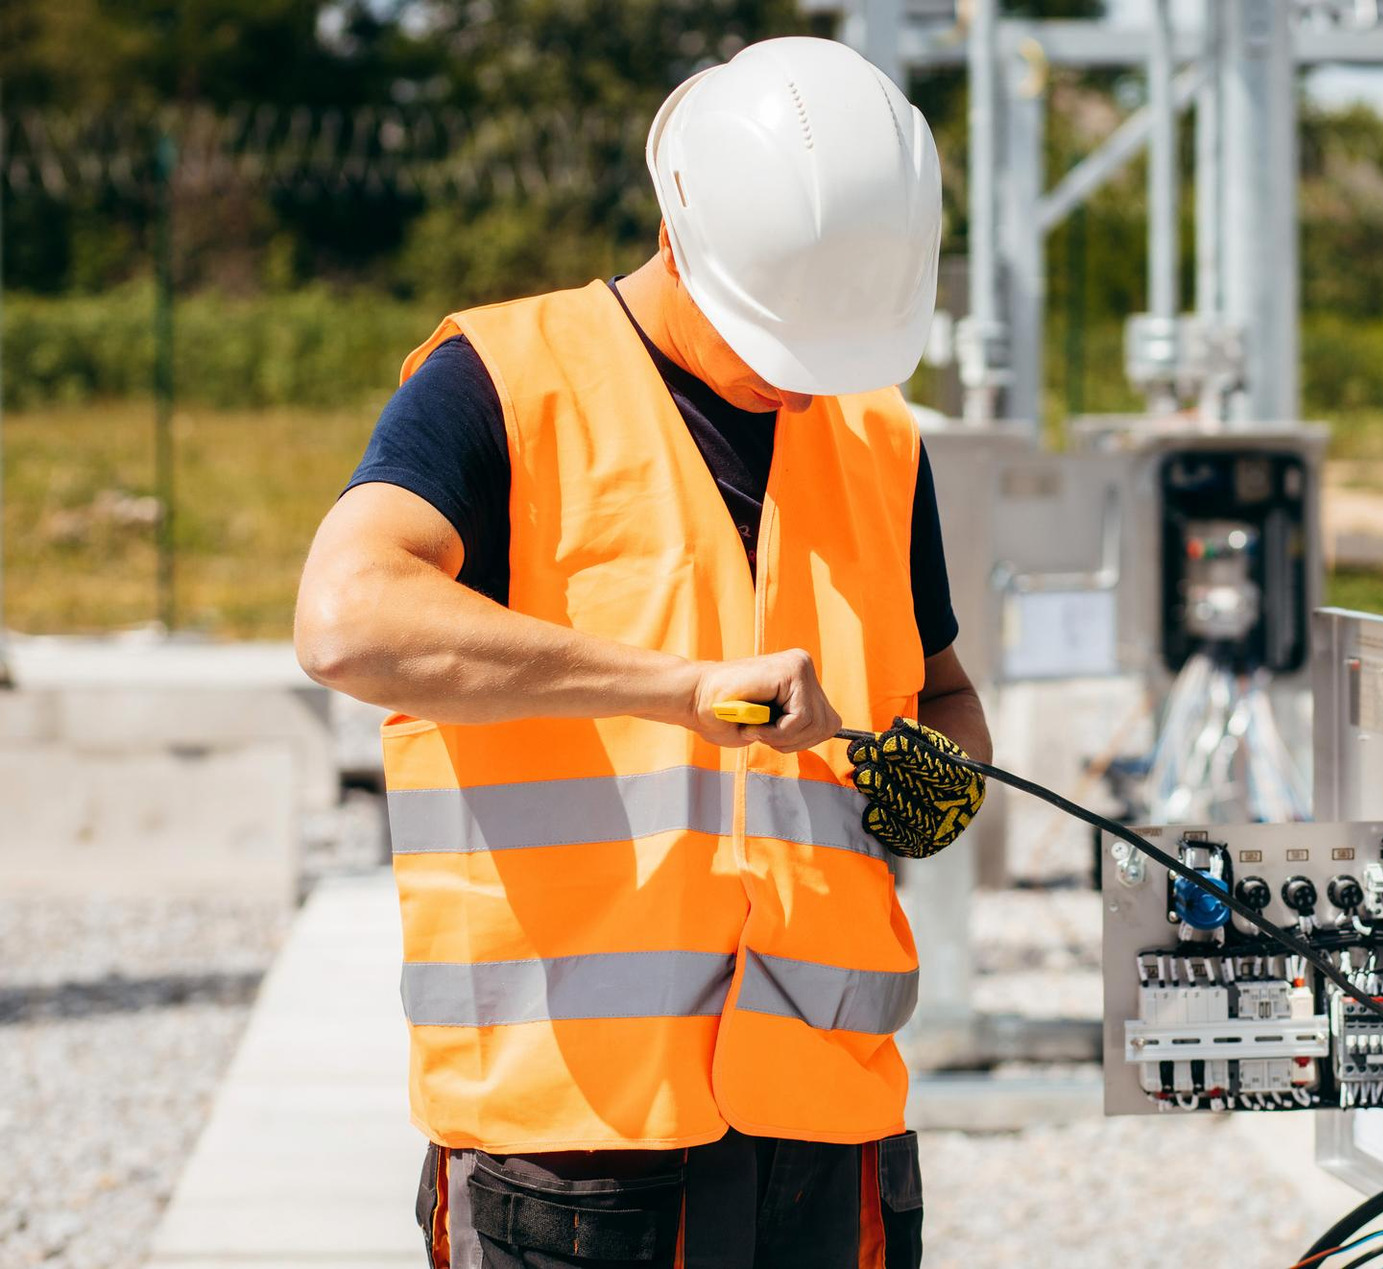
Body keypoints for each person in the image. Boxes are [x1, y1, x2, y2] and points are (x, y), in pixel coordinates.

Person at [295, 37, 989, 1269]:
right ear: (680, 235)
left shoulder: (880, 443)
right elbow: (349, 615)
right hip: (573, 1147)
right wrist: (671, 690)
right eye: (776, 343)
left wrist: (929, 785)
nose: (797, 384)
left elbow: (942, 700)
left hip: (826, 1140)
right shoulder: (501, 385)